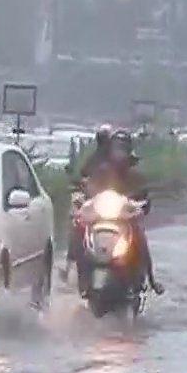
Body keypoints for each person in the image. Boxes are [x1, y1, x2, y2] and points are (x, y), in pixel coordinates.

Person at [84, 130, 164, 296]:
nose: (119, 154)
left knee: (140, 238)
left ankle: (151, 279)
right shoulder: (101, 171)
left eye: (122, 149)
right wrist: (83, 200)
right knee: (81, 235)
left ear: (128, 153)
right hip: (102, 219)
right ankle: (80, 277)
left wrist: (142, 205)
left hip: (125, 221)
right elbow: (89, 189)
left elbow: (145, 197)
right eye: (116, 149)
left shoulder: (135, 176)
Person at [62, 124, 116, 283]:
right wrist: (81, 185)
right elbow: (82, 176)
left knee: (136, 231)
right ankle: (69, 264)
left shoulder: (119, 161)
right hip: (95, 205)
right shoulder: (93, 159)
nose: (104, 143)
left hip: (115, 206)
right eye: (102, 139)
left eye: (106, 140)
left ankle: (148, 277)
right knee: (78, 226)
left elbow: (132, 179)